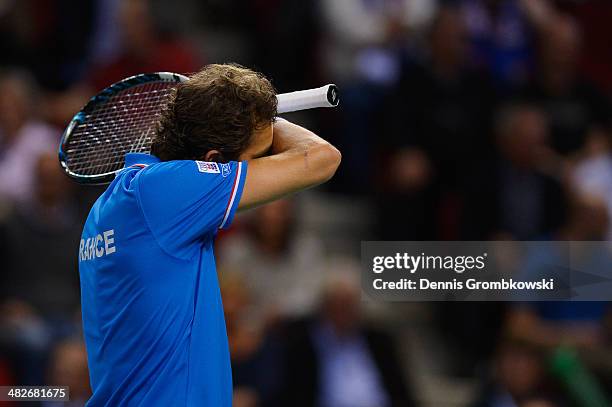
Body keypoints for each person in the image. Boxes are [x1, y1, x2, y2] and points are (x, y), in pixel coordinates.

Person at [78, 64, 341, 406]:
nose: (271, 163)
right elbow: (322, 158)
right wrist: (266, 117)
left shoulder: (113, 206)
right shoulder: (167, 190)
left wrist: (250, 115)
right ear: (213, 160)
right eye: (261, 158)